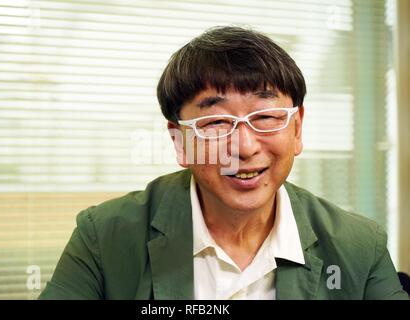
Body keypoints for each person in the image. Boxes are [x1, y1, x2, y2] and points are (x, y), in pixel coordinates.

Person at [39, 26, 408, 300]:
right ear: (180, 141)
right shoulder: (105, 237)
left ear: (297, 129)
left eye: (265, 117)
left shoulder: (358, 245)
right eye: (216, 123)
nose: (244, 147)